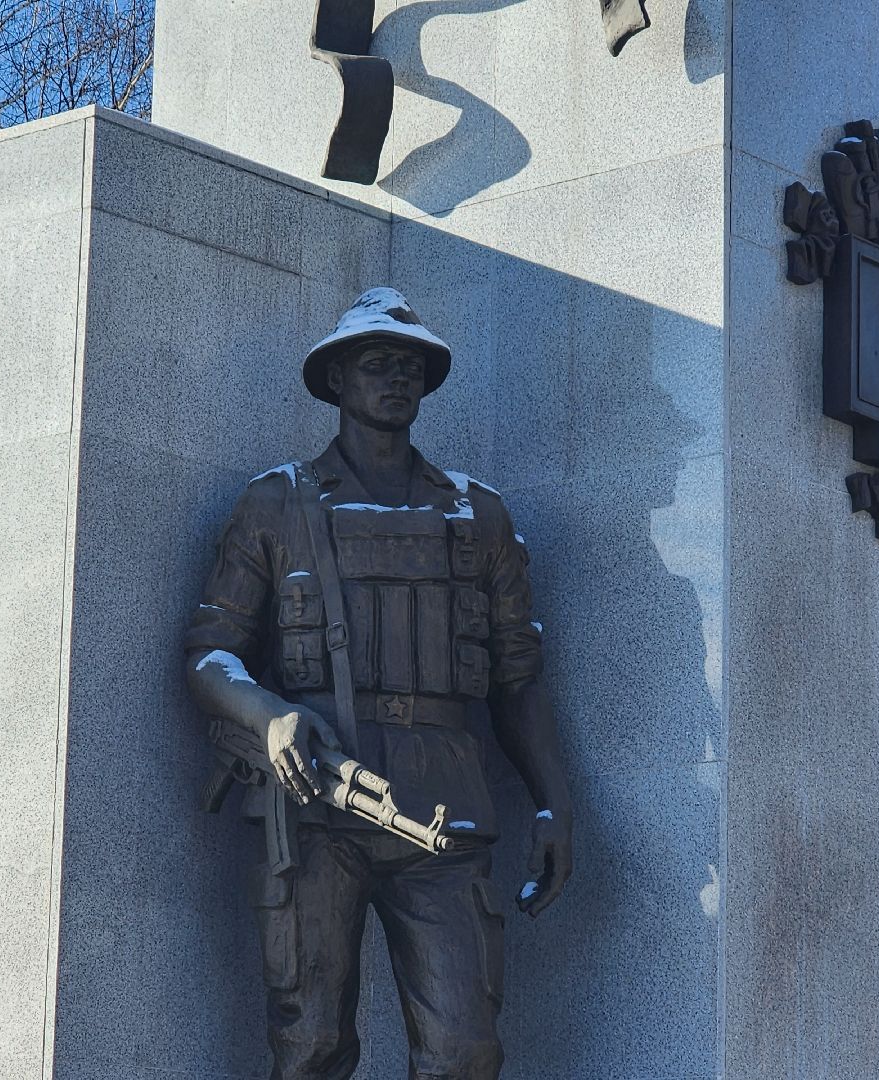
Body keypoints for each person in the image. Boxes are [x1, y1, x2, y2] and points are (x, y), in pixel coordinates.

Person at [184, 287, 574, 1080]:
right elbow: (209, 652)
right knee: (311, 1047)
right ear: (336, 380)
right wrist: (270, 717)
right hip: (317, 806)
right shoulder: (275, 503)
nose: (395, 378)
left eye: (409, 366)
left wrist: (553, 802)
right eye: (375, 363)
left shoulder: (481, 515)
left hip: (446, 810)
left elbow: (519, 677)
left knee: (466, 1051)